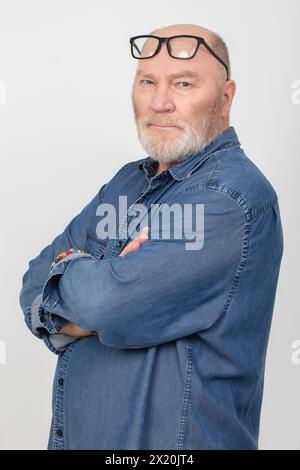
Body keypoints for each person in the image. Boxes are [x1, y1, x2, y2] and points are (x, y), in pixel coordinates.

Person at [19, 23, 284, 450]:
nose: (160, 102)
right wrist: (99, 282)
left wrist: (79, 283)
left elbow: (105, 304)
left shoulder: (229, 198)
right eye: (147, 82)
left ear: (226, 96)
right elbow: (33, 279)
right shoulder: (125, 183)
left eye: (183, 83)